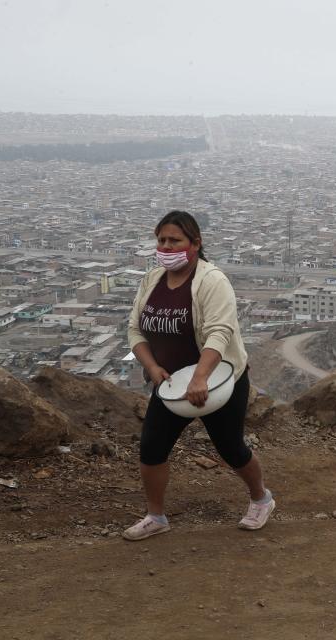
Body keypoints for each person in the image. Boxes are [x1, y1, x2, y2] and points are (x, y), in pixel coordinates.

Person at [122, 210, 274, 541]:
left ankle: (261, 499)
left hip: (218, 380)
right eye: (161, 240)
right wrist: (151, 367)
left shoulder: (211, 281)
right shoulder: (152, 280)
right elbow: (135, 329)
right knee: (152, 447)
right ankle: (156, 515)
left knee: (231, 447)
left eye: (174, 240)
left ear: (195, 243)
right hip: (171, 382)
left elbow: (220, 332)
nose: (166, 247)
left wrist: (201, 377)